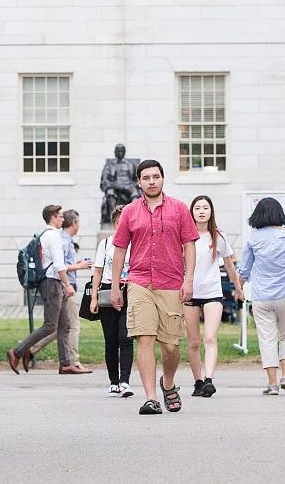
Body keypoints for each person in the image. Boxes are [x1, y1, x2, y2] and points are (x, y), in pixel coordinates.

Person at [109, 159, 199, 416]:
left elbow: (190, 245)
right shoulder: (129, 212)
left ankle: (168, 383)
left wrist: (189, 278)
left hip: (171, 282)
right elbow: (119, 249)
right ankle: (150, 398)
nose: (151, 181)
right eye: (146, 177)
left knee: (171, 346)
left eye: (155, 177)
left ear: (162, 179)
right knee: (144, 338)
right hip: (139, 282)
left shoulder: (179, 209)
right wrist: (116, 286)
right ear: (139, 182)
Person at [239, 197, 285, 396]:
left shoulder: (253, 238)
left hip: (261, 297)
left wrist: (238, 289)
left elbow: (244, 269)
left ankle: (272, 384)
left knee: (266, 338)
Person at [6, 205, 76, 374]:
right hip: (52, 283)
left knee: (65, 324)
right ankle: (16, 352)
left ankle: (65, 364)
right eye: (60, 216)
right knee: (50, 325)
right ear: (52, 218)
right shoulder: (53, 236)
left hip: (53, 282)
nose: (63, 219)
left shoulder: (46, 235)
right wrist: (68, 285)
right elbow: (59, 265)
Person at [185, 195, 243, 398]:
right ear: (191, 211)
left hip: (212, 292)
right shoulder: (184, 235)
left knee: (210, 337)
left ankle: (209, 380)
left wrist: (238, 288)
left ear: (211, 212)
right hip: (189, 294)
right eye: (197, 208)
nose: (201, 211)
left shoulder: (219, 236)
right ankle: (198, 381)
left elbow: (229, 265)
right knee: (193, 341)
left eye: (205, 208)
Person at [30, 209, 93, 373]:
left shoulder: (65, 240)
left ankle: (29, 351)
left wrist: (76, 264)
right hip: (65, 286)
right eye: (78, 222)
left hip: (64, 285)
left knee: (60, 327)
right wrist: (78, 267)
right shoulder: (62, 240)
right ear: (74, 223)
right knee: (71, 326)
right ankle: (73, 362)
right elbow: (61, 266)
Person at [90, 205, 134, 397]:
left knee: (126, 338)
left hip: (131, 290)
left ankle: (125, 381)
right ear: (116, 224)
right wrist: (94, 298)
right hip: (108, 291)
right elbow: (97, 271)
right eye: (119, 223)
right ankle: (113, 382)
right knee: (111, 340)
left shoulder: (137, 244)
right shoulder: (106, 244)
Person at [100, 143, 141, 225]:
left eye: (122, 151)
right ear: (115, 152)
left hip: (129, 185)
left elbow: (137, 178)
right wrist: (112, 185)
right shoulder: (109, 165)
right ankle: (114, 220)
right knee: (110, 193)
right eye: (118, 151)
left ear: (124, 152)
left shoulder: (130, 164)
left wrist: (134, 184)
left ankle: (133, 220)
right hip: (114, 186)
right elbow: (104, 179)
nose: (120, 152)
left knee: (136, 195)